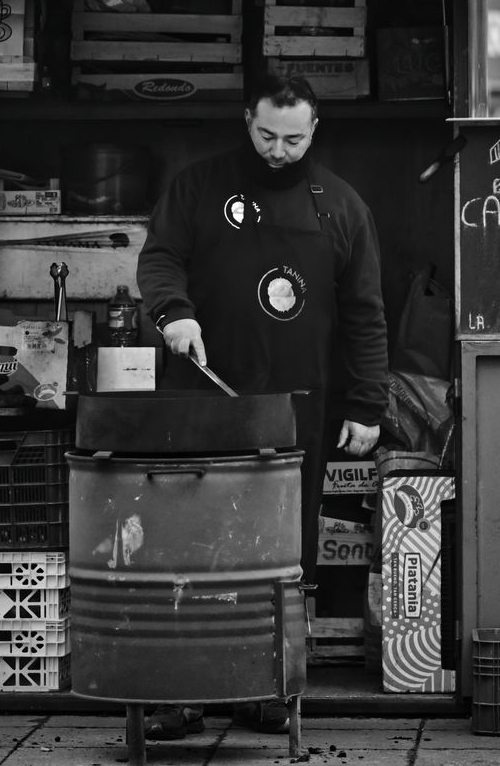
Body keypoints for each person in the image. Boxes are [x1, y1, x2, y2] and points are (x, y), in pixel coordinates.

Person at [136, 73, 390, 738]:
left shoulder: (340, 206)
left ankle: (269, 688)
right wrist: (173, 316)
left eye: (294, 138)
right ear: (248, 119)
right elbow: (160, 260)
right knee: (184, 543)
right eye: (267, 135)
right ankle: (178, 692)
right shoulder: (197, 187)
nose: (279, 149)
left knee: (280, 554)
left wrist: (367, 401)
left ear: (315, 131)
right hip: (200, 398)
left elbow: (366, 313)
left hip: (294, 409)